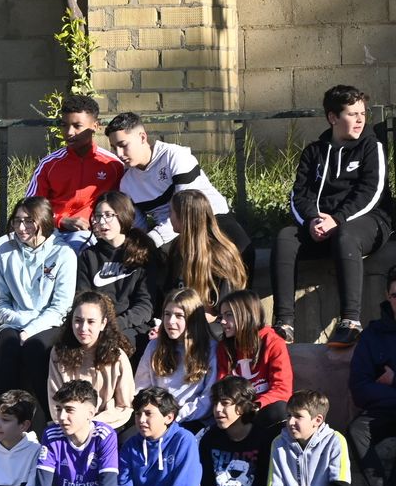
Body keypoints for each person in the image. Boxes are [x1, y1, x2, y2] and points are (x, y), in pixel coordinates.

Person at [272, 84, 389, 348]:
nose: (360, 120)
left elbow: (371, 193)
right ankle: (284, 324)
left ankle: (350, 322)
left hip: (369, 221)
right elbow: (298, 196)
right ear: (333, 117)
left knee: (346, 237)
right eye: (352, 114)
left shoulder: (372, 147)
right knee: (285, 238)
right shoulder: (314, 152)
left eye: (363, 113)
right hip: (323, 222)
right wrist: (312, 219)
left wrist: (337, 219)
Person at [105, 111, 252, 265]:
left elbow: (187, 211)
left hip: (211, 218)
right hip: (171, 231)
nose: (119, 154)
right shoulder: (127, 183)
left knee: (242, 251)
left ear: (142, 137)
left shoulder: (175, 156)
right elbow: (138, 227)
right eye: (115, 148)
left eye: (123, 145)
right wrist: (138, 244)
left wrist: (152, 239)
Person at [0, 196, 76, 416]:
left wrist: (31, 329)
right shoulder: (4, 252)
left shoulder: (63, 254)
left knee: (34, 349)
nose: (21, 227)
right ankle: (5, 416)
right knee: (8, 347)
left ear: (43, 220)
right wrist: (20, 323)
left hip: (50, 322)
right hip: (15, 320)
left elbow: (61, 307)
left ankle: (52, 417)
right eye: (17, 221)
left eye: (29, 221)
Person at [26, 93, 125, 251]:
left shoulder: (113, 165)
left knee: (75, 247)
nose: (69, 132)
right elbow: (29, 208)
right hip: (46, 231)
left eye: (77, 126)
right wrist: (61, 220)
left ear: (95, 126)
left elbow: (124, 208)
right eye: (64, 125)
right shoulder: (48, 164)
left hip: (88, 235)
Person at [75, 191, 158, 352]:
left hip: (130, 326)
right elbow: (82, 297)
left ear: (123, 215)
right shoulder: (88, 256)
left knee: (111, 347)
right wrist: (96, 325)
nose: (102, 222)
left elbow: (145, 305)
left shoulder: (142, 252)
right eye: (98, 216)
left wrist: (114, 325)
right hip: (93, 325)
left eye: (108, 215)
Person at [347, 269, 396, 486]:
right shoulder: (373, 335)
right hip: (381, 413)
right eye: (395, 295)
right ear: (389, 298)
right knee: (356, 430)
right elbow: (360, 388)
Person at [46, 291, 136, 429]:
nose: (83, 328)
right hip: (67, 425)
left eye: (91, 322)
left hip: (105, 425)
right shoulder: (59, 353)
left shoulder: (117, 357)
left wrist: (92, 425)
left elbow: (124, 406)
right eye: (78, 321)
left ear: (103, 323)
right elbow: (55, 400)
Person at [135, 287, 216, 427]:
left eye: (179, 316)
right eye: (167, 314)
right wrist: (155, 415)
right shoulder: (154, 346)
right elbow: (141, 387)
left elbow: (208, 398)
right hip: (156, 419)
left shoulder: (210, 349)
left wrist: (176, 416)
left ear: (192, 319)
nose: (170, 321)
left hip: (193, 420)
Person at [215, 289, 293, 433]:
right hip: (233, 411)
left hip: (260, 409)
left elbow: (282, 389)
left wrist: (253, 406)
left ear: (246, 314)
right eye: (221, 316)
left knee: (280, 411)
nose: (223, 321)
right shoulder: (224, 346)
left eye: (229, 315)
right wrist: (235, 408)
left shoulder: (273, 342)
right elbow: (222, 387)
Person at [163, 189, 247, 319]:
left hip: (217, 325)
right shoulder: (177, 247)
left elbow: (228, 304)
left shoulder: (220, 254)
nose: (169, 217)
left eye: (171, 212)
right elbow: (169, 289)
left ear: (184, 217)